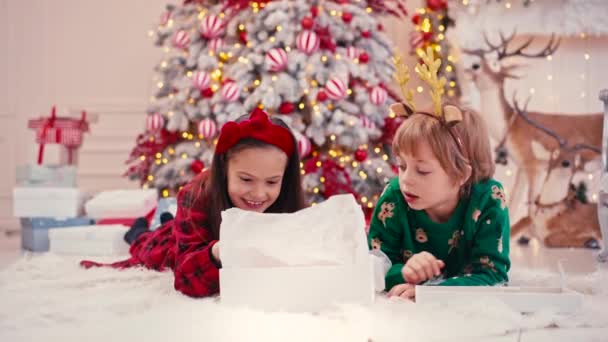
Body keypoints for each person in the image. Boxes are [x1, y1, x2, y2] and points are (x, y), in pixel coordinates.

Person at [81, 108, 307, 297]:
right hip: (173, 244)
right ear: (224, 170)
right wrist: (220, 251)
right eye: (246, 179)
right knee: (146, 245)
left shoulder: (288, 203)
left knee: (169, 227)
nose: (259, 194)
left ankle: (165, 223)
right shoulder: (197, 194)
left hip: (187, 232)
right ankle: (138, 230)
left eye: (271, 182)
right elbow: (186, 280)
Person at [368, 98, 511, 300]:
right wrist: (404, 273)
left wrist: (432, 293)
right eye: (402, 166)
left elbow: (493, 276)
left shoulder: (489, 199)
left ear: (462, 175)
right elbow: (372, 266)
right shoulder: (393, 198)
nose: (406, 179)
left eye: (423, 171)